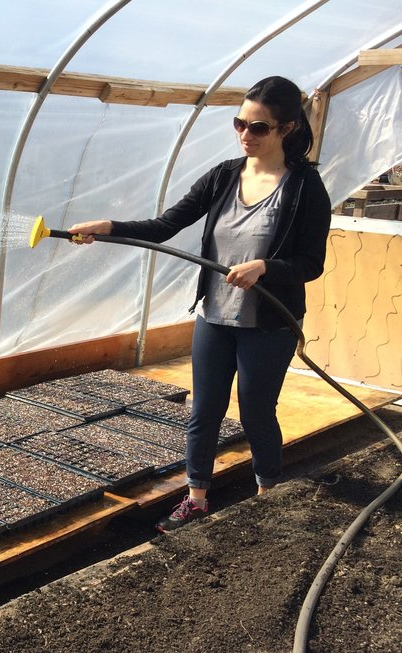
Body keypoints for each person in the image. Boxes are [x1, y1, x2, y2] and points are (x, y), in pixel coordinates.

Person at [67, 76, 331, 532]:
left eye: (259, 128)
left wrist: (265, 267)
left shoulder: (305, 186)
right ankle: (196, 498)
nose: (245, 135)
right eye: (239, 124)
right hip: (215, 315)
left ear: (286, 129)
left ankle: (269, 497)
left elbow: (311, 263)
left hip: (268, 323)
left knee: (255, 412)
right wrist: (106, 226)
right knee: (204, 409)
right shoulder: (224, 177)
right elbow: (164, 225)